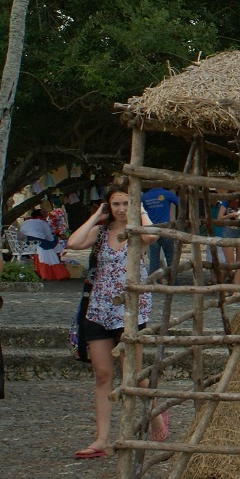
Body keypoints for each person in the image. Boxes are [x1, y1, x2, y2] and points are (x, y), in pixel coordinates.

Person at [64, 184, 166, 457]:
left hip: (131, 310)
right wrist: (96, 216)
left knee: (133, 372)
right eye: (115, 204)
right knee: (102, 375)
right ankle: (101, 439)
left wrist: (140, 208)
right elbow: (73, 243)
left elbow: (153, 236)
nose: (121, 209)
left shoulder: (136, 233)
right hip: (98, 310)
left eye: (125, 204)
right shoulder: (99, 233)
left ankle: (156, 415)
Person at [19, 207, 69, 281]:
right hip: (36, 243)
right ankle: (53, 267)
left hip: (24, 243)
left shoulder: (26, 222)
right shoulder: (42, 222)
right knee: (53, 242)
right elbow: (49, 236)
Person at [141, 186, 180, 277]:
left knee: (154, 259)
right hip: (165, 229)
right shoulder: (167, 194)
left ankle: (154, 282)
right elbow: (180, 203)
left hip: (152, 230)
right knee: (170, 258)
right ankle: (173, 282)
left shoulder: (145, 196)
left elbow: (141, 209)